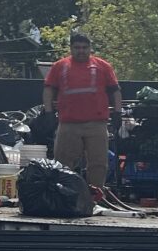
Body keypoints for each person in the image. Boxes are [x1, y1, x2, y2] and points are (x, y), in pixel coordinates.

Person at [42, 33, 122, 187]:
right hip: (68, 124)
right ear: (71, 48)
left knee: (98, 163)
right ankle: (64, 194)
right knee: (63, 163)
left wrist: (118, 112)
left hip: (97, 124)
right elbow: (48, 90)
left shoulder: (103, 66)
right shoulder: (59, 66)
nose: (81, 51)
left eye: (85, 48)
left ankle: (96, 196)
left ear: (90, 48)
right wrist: (49, 112)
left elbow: (115, 91)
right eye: (77, 48)